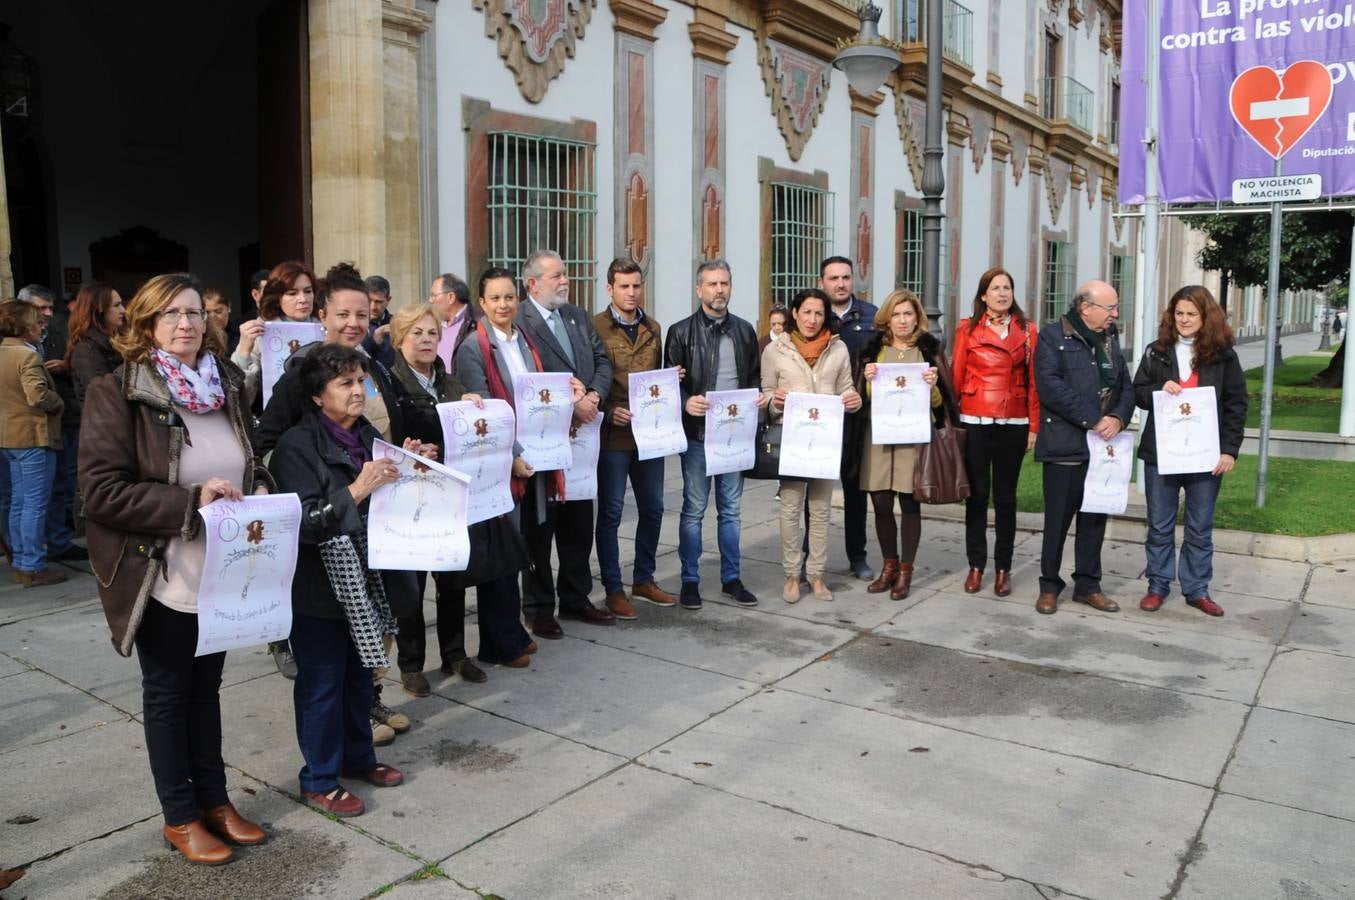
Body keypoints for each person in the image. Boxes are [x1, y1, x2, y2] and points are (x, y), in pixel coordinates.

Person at [79, 272, 271, 863]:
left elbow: (247, 459)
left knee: (206, 691)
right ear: (145, 326)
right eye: (171, 315)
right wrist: (191, 503)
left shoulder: (228, 384)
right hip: (159, 570)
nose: (186, 324)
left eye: (194, 313)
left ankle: (215, 801)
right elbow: (100, 493)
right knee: (168, 694)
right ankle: (180, 816)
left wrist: (259, 488)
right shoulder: (117, 391)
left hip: (222, 567)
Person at [256, 262, 412, 741]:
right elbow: (268, 439)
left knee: (380, 615)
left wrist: (410, 456)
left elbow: (392, 431)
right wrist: (299, 481)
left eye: (362, 314)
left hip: (379, 521)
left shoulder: (374, 368)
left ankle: (370, 699)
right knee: (336, 635)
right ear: (323, 316)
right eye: (343, 313)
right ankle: (352, 720)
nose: (353, 323)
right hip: (330, 523)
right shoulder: (302, 375)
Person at [267, 344, 417, 818]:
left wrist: (408, 464)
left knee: (358, 677)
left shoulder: (365, 434)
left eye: (361, 381)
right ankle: (319, 778)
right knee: (322, 684)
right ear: (316, 396)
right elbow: (303, 523)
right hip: (317, 586)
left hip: (364, 577)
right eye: (345, 383)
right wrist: (359, 488)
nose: (358, 391)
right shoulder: (295, 446)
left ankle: (358, 757)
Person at [456, 267, 583, 665]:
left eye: (509, 297)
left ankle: (510, 630)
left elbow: (539, 396)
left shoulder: (524, 340)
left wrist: (570, 394)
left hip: (536, 463)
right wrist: (511, 458)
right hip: (499, 467)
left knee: (521, 548)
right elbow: (486, 415)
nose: (503, 304)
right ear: (482, 303)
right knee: (501, 555)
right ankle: (498, 644)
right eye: (495, 298)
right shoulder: (472, 348)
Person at [386, 302, 489, 692]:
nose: (427, 340)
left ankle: (455, 654)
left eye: (432, 333)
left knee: (452, 580)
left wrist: (473, 408)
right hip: (409, 498)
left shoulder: (450, 383)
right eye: (417, 333)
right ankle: (411, 664)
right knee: (411, 586)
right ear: (399, 338)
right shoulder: (391, 384)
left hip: (447, 497)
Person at [514, 249, 615, 636]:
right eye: (556, 275)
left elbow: (602, 360)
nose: (565, 281)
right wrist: (568, 404)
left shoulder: (575, 315)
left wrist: (593, 397)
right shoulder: (520, 322)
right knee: (541, 527)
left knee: (578, 523)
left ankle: (575, 596)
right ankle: (539, 607)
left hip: (584, 438)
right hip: (543, 441)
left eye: (565, 274)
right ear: (533, 283)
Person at [1134, 286, 1247, 617]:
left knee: (1199, 526)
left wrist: (1230, 451)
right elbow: (1138, 393)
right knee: (1159, 524)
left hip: (1205, 457)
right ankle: (1157, 585)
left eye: (1191, 314)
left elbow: (1236, 405)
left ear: (1205, 316)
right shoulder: (1156, 352)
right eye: (1178, 313)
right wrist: (1158, 388)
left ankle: (1197, 590)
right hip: (1162, 455)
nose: (1183, 320)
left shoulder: (1224, 356)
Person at [664, 259, 765, 611]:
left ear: (731, 287)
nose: (719, 290)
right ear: (699, 289)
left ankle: (731, 578)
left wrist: (758, 399)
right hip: (697, 436)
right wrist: (684, 401)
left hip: (735, 436)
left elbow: (754, 377)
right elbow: (666, 386)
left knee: (732, 512)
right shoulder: (680, 332)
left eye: (724, 283)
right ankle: (690, 580)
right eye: (712, 284)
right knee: (693, 511)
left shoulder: (744, 330)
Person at [1033, 280, 1134, 615]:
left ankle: (1088, 585)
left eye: (1116, 307)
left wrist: (1118, 417)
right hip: (1066, 444)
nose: (1115, 314)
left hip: (1103, 448)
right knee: (1057, 521)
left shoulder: (1110, 338)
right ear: (1085, 307)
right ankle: (1049, 586)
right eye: (1110, 308)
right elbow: (1050, 387)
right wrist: (1094, 419)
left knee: (1094, 520)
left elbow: (1124, 385)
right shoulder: (1052, 337)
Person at [760, 288, 861, 603]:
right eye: (806, 312)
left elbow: (847, 389)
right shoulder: (775, 351)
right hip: (791, 440)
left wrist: (853, 401)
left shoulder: (838, 348)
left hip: (825, 442)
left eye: (819, 313)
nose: (812, 319)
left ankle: (816, 575)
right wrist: (773, 402)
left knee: (820, 509)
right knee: (790, 507)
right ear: (794, 313)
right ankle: (792, 574)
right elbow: (764, 394)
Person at [592, 257, 677, 619]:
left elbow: (656, 380)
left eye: (636, 286)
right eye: (624, 286)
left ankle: (644, 578)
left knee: (653, 509)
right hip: (614, 434)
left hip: (650, 435)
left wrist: (671, 382)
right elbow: (591, 375)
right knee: (611, 512)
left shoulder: (654, 328)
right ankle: (613, 588)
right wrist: (609, 410)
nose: (631, 292)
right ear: (610, 288)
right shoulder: (595, 327)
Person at [853, 289, 952, 601]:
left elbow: (940, 405)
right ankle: (889, 566)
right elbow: (863, 398)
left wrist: (933, 387)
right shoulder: (873, 351)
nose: (902, 320)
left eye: (908, 314)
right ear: (887, 318)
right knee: (881, 503)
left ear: (917, 317)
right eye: (896, 314)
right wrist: (867, 379)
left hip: (913, 438)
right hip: (879, 437)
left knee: (910, 503)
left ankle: (906, 570)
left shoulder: (929, 352)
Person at [950, 267, 1040, 598]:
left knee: (1005, 498)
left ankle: (1003, 569)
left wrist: (1033, 424)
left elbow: (1035, 383)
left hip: (1013, 421)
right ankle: (976, 566)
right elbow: (957, 373)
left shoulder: (1028, 331)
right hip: (975, 418)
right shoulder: (967, 329)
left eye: (1007, 288)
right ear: (983, 295)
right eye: (995, 288)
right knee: (976, 497)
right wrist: (953, 420)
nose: (1002, 293)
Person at [0, 300, 67, 586]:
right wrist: (59, 402)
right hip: (31, 436)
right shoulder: (26, 356)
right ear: (25, 326)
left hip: (9, 437)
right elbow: (37, 396)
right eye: (37, 323)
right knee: (33, 504)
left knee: (18, 503)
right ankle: (32, 566)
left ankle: (22, 560)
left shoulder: (4, 351)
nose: (42, 327)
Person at [819, 256, 878, 581]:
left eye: (845, 277)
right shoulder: (811, 314)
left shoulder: (871, 316)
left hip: (858, 418)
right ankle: (808, 556)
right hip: (819, 419)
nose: (840, 283)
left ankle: (857, 556)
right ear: (822, 282)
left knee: (856, 491)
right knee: (815, 491)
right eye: (833, 278)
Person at [17, 284, 85, 563]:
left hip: (66, 418)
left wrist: (66, 367)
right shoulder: (13, 339)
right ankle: (27, 556)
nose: (46, 314)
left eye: (49, 308)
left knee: (64, 483)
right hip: (31, 426)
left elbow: (75, 365)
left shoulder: (59, 331)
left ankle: (57, 540)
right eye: (39, 308)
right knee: (28, 496)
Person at [231, 260, 320, 406]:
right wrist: (244, 350)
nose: (303, 299)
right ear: (277, 298)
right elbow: (240, 400)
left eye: (308, 291)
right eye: (292, 293)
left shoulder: (328, 326)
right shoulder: (261, 333)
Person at [429, 272, 473, 371]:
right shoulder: (432, 323)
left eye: (433, 296)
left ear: (451, 297)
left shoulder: (477, 323)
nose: (430, 301)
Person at [361, 274, 396, 369]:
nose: (373, 307)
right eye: (369, 300)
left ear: (388, 300)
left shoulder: (398, 324)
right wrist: (373, 342)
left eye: (378, 302)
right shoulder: (353, 325)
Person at [203, 287, 237, 353]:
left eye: (218, 311)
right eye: (207, 312)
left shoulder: (240, 341)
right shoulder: (196, 343)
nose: (212, 317)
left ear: (229, 307)